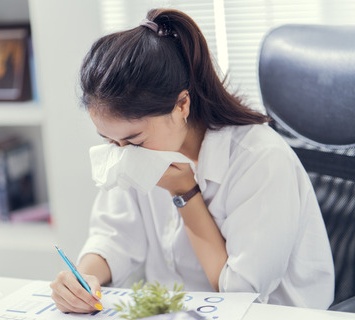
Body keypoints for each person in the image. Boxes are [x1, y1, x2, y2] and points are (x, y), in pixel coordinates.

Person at [50, 8, 334, 313]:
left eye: (133, 141)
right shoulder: (133, 149)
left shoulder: (261, 161)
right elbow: (113, 236)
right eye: (109, 141)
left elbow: (240, 293)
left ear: (182, 105)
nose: (123, 153)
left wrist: (184, 192)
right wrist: (84, 278)